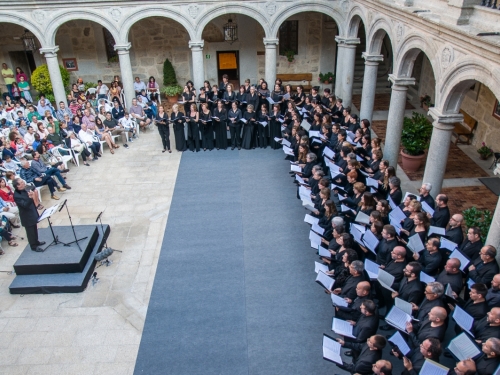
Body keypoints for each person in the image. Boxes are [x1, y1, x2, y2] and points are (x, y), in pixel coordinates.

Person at [13, 178, 44, 251]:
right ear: (18, 186)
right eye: (21, 183)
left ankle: (36, 242)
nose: (23, 183)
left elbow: (32, 188)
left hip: (32, 212)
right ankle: (33, 246)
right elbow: (24, 205)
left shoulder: (24, 189)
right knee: (30, 232)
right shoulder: (17, 196)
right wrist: (30, 198)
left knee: (34, 229)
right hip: (26, 216)